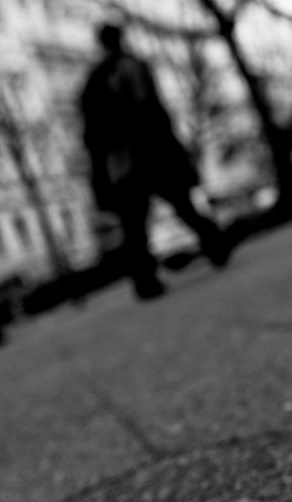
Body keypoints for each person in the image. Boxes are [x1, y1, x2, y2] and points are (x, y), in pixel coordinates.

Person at [80, 23, 230, 300]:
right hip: (150, 154)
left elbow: (92, 133)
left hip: (130, 160)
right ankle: (213, 246)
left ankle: (146, 280)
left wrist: (102, 167)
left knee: (136, 225)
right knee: (172, 209)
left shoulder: (99, 78)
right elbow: (153, 111)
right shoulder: (130, 67)